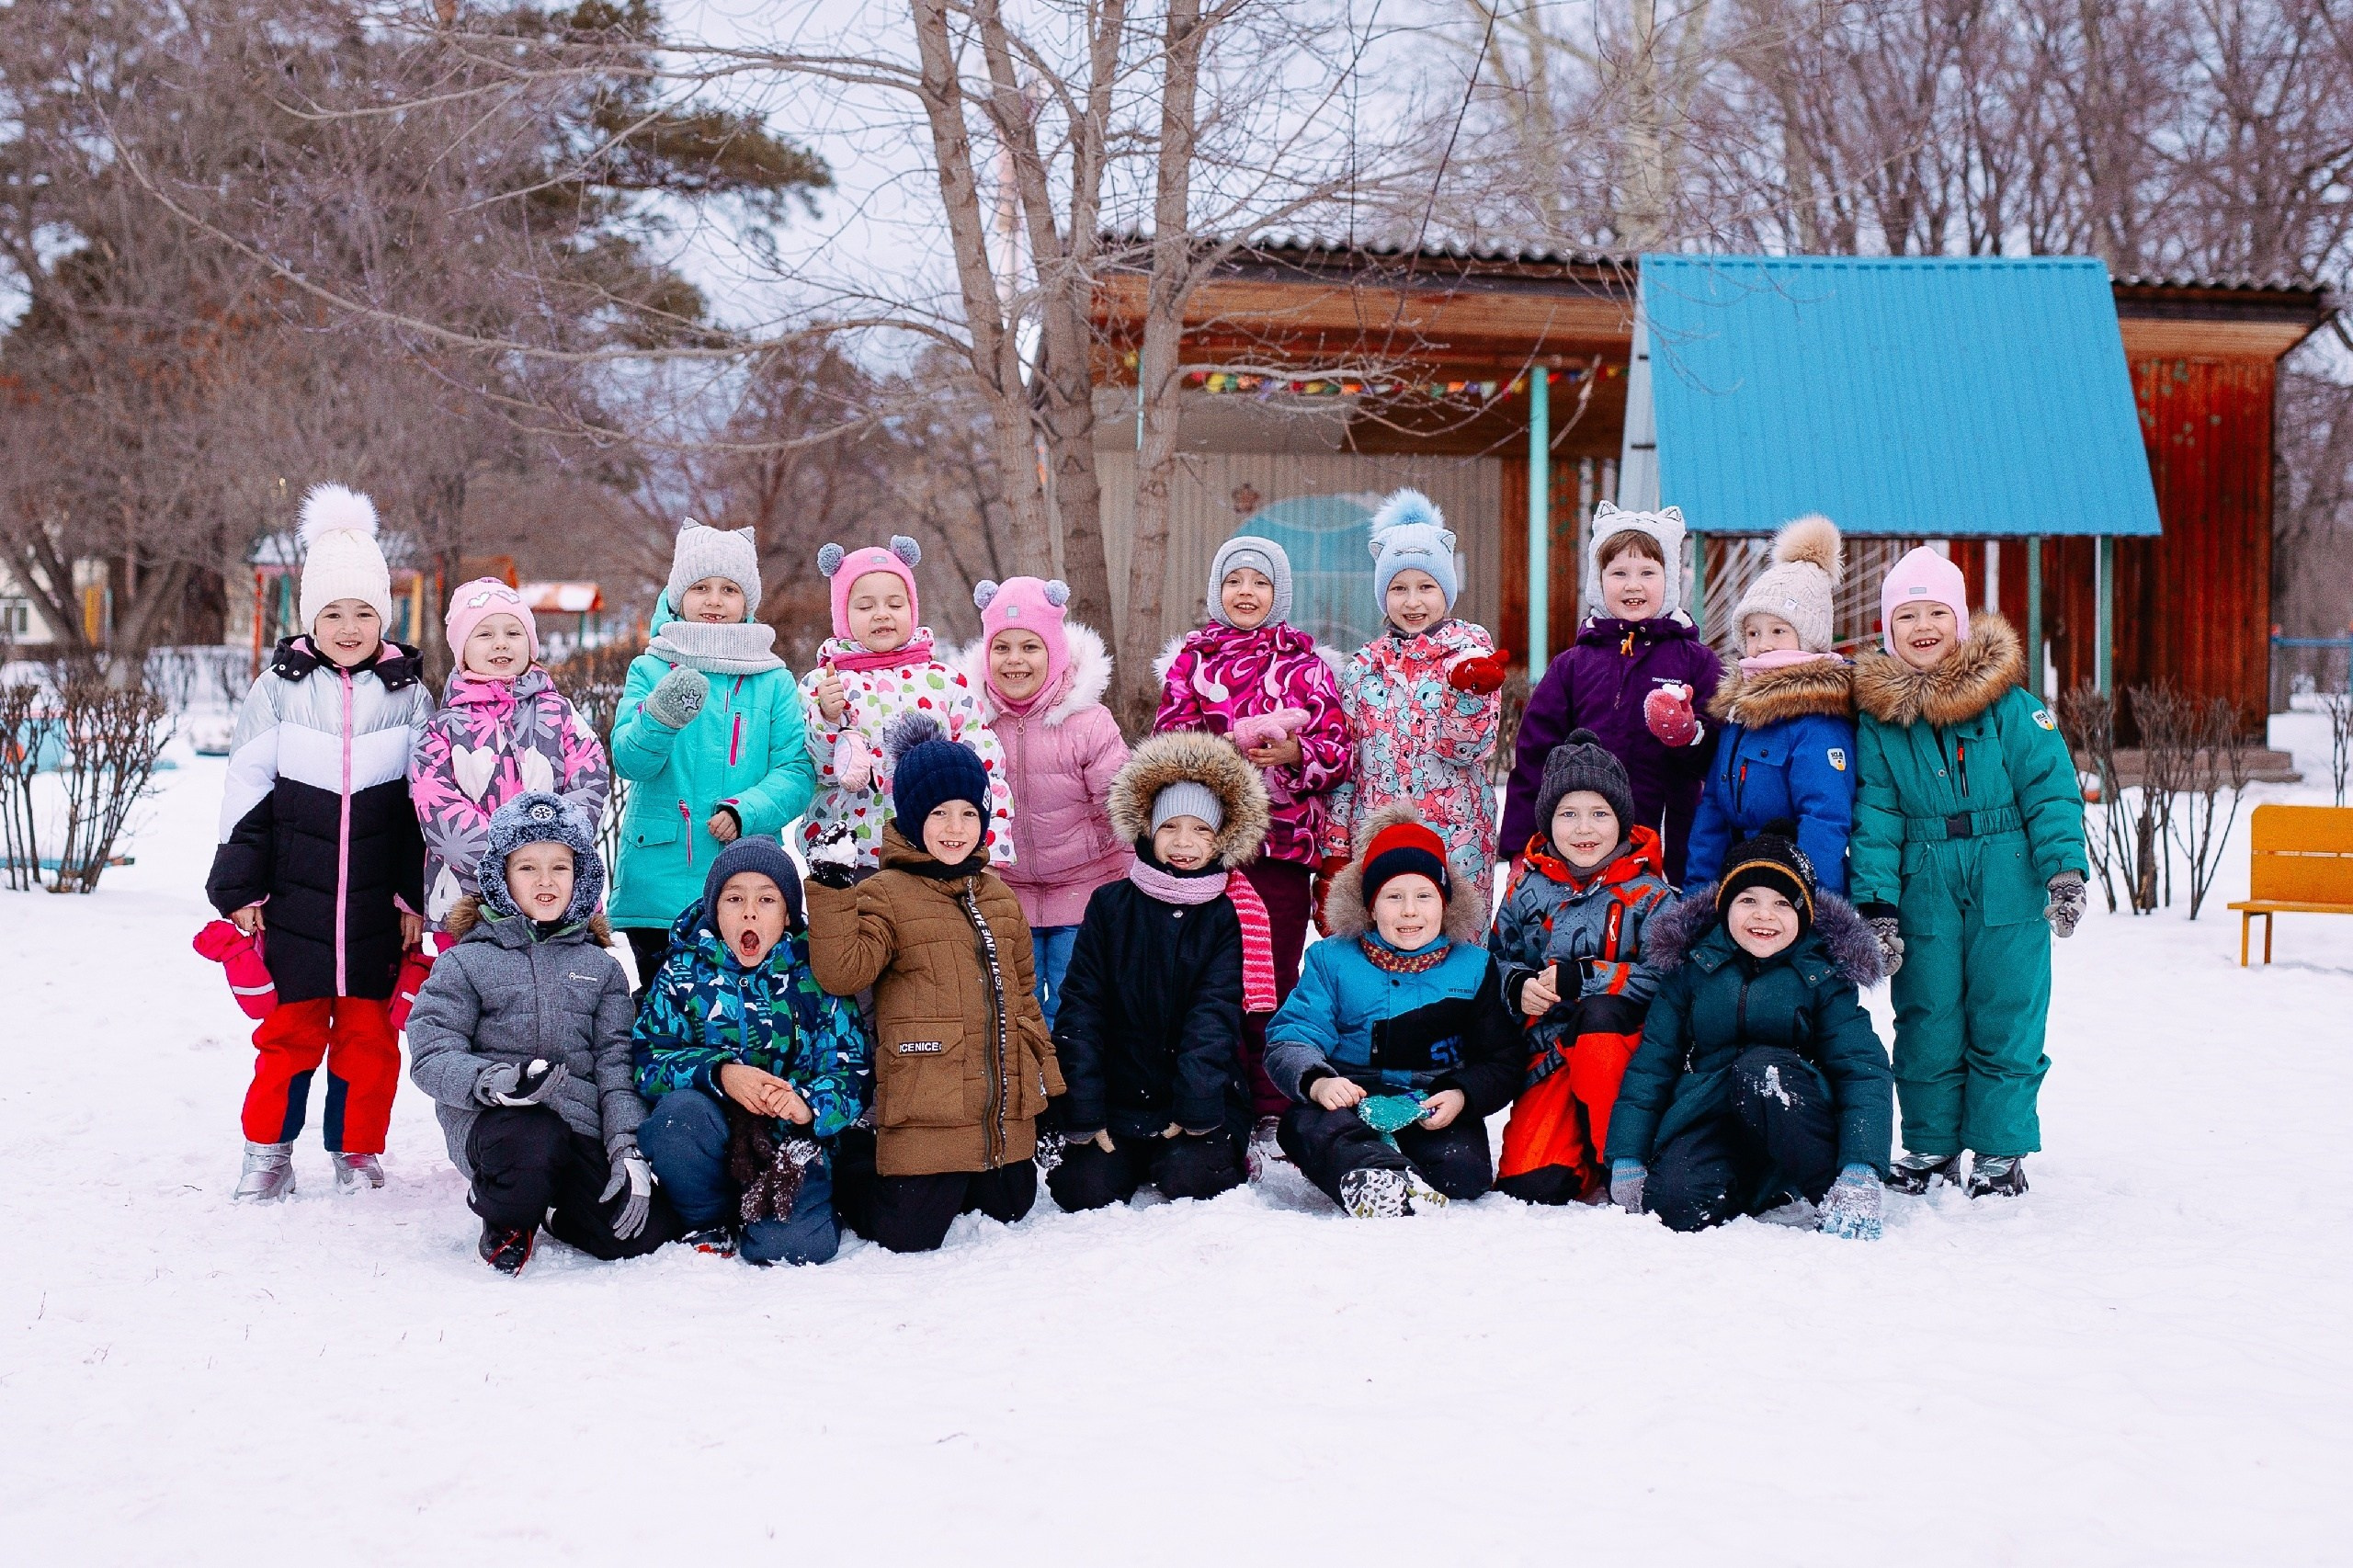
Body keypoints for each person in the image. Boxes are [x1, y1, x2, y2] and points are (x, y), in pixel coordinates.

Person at [209, 483, 432, 1202]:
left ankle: (357, 1150)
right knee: (288, 1035)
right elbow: (246, 786)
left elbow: (421, 807)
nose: (348, 625)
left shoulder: (407, 694)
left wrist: (413, 894)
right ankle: (267, 1152)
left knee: (369, 1041)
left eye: (363, 611)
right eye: (332, 612)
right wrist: (241, 887)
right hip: (292, 903)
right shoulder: (278, 688)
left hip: (375, 907)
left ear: (384, 617)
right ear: (309, 617)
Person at [1851, 549, 2088, 1199]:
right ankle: (1930, 1145)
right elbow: (1875, 813)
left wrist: (2064, 870)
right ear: (1887, 627)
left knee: (2007, 1008)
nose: (1922, 625)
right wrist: (1877, 906)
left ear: (1960, 621)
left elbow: (2051, 790)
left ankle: (2000, 1150)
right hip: (1924, 877)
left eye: (1936, 612)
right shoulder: (1880, 720)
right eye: (1907, 615)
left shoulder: (2012, 708)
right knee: (1927, 1013)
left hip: (2007, 870)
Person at [804, 713, 1063, 1253]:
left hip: (998, 1118)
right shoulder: (886, 892)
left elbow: (1024, 1000)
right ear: (913, 816)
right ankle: (855, 1156)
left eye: (968, 813)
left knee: (1012, 1208)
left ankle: (978, 1173)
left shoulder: (998, 897)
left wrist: (1047, 1087)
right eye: (939, 813)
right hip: (927, 1105)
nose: (955, 828)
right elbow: (842, 971)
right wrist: (831, 889)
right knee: (908, 1234)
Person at [405, 792, 680, 1274]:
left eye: (560, 867)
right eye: (527, 867)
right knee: (534, 1143)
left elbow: (616, 1066)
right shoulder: (466, 961)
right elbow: (432, 1053)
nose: (546, 880)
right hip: (493, 1124)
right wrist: (491, 1080)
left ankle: (557, 1211)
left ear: (581, 877)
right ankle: (504, 1214)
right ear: (502, 876)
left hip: (577, 1127)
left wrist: (625, 1146)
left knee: (640, 1233)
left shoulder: (602, 969)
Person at [1154, 533, 1350, 1151]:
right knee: (1207, 975)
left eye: (1259, 582)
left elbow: (1340, 752)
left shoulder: (1307, 666)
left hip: (1284, 851)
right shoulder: (1193, 661)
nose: (1246, 592)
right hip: (1205, 851)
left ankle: (1271, 1101)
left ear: (1279, 593)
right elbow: (1167, 743)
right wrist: (1228, 744)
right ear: (1217, 591)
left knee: (1273, 976)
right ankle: (1209, 1094)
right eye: (1235, 580)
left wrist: (1297, 752)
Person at [1606, 824, 1893, 1238]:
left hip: (1796, 1116)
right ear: (1725, 908)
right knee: (1673, 1206)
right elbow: (1653, 1066)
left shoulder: (1822, 976)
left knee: (1761, 1070)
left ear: (1804, 914)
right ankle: (1755, 1188)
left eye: (1782, 903)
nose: (1764, 915)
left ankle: (1827, 1191)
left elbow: (1863, 1070)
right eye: (1748, 900)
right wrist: (1629, 1157)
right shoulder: (1693, 969)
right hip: (1713, 1114)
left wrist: (1860, 1168)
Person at [1045, 731, 1275, 1212]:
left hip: (1197, 1097)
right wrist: (1087, 1112)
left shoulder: (1225, 915)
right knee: (1082, 1191)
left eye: (1201, 830)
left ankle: (1187, 1144)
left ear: (1222, 838)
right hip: (1119, 1098)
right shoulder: (1110, 906)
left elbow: (1213, 1022)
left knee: (1192, 1178)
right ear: (1147, 829)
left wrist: (1196, 1111)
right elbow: (1081, 1011)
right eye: (1171, 827)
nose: (1184, 843)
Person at [1262, 809, 1520, 1218]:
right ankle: (1376, 1174)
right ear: (1370, 906)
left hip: (1428, 1102)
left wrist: (1460, 1095)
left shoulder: (1473, 967)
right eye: (1393, 897)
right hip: (1347, 1101)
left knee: (1464, 1172)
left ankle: (1382, 1171)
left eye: (1424, 896)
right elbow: (1292, 1036)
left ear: (1445, 903)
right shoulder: (1332, 960)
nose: (1409, 911)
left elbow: (1500, 1058)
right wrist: (1318, 1083)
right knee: (1303, 1126)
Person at [632, 837, 870, 1266]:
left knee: (792, 1248)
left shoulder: (815, 975)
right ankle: (707, 1216)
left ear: (787, 914)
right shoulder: (682, 971)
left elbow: (851, 1068)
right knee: (677, 1118)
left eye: (766, 899)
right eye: (734, 898)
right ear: (714, 909)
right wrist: (720, 1073)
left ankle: (801, 1211)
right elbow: (648, 1060)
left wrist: (808, 1105)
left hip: (789, 1147)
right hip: (712, 1141)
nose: (749, 912)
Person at [608, 519, 814, 996]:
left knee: (739, 1017)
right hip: (660, 884)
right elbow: (630, 762)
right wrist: (658, 717)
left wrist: (746, 812)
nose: (715, 601)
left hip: (746, 888)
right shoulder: (651, 667)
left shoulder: (773, 681)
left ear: (748, 602)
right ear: (679, 596)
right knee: (662, 1016)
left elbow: (796, 771)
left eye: (729, 589)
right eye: (701, 588)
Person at [1489, 731, 1677, 1204]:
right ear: (1548, 823)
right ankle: (1580, 1150)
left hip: (1622, 1056)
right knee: (1531, 1186)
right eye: (1567, 815)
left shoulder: (1650, 896)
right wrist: (1518, 986)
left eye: (1599, 814)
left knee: (1598, 1018)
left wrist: (1585, 977)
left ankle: (1623, 1155)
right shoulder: (1525, 890)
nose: (1583, 829)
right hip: (1550, 1053)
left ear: (1622, 821)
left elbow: (1667, 980)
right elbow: (1497, 958)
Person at [1499, 500, 1722, 884]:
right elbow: (1535, 756)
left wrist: (1689, 733)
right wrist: (1523, 845)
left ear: (1669, 580)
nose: (1633, 585)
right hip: (1582, 850)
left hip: (1670, 844)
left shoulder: (1697, 662)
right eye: (1618, 572)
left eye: (1648, 572)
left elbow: (1720, 757)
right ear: (1598, 581)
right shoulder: (1572, 666)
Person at [1326, 489, 1509, 915]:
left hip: (1455, 839)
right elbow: (1347, 769)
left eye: (1426, 586)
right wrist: (1335, 847)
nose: (1412, 602)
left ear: (1446, 589)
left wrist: (1469, 696)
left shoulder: (1470, 653)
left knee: (1454, 951)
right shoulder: (1362, 669)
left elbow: (1470, 749)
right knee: (1384, 947)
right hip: (1377, 836)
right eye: (1398, 588)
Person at [957, 576, 1129, 1029]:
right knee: (1014, 1003)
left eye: (1030, 647)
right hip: (1006, 890)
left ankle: (1076, 1089)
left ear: (1054, 651)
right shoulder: (972, 723)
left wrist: (1141, 885)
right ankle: (1028, 1089)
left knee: (1077, 1001)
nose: (1015, 661)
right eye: (1002, 647)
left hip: (1085, 887)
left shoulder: (1087, 722)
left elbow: (1124, 808)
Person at [801, 536, 1013, 874]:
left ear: (912, 609)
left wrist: (991, 849)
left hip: (936, 852)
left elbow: (985, 768)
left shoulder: (944, 682)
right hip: (856, 857)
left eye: (895, 604)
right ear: (842, 613)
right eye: (865, 606)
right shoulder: (823, 684)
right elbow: (820, 772)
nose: (882, 614)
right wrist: (826, 719)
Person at [410, 575, 609, 932]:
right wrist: (505, 857)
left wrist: (541, 857)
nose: (501, 644)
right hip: (469, 898)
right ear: (462, 649)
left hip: (555, 895)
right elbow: (435, 803)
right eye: (485, 634)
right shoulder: (443, 729)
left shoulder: (560, 714)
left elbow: (590, 780)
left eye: (513, 634)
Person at [1683, 515, 1857, 895]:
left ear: (1809, 640)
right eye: (1752, 632)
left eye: (1778, 631)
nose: (1762, 644)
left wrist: (1810, 902)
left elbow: (1824, 818)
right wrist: (1698, 894)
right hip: (1740, 886)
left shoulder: (1816, 718)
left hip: (1791, 892)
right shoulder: (1739, 712)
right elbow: (1712, 807)